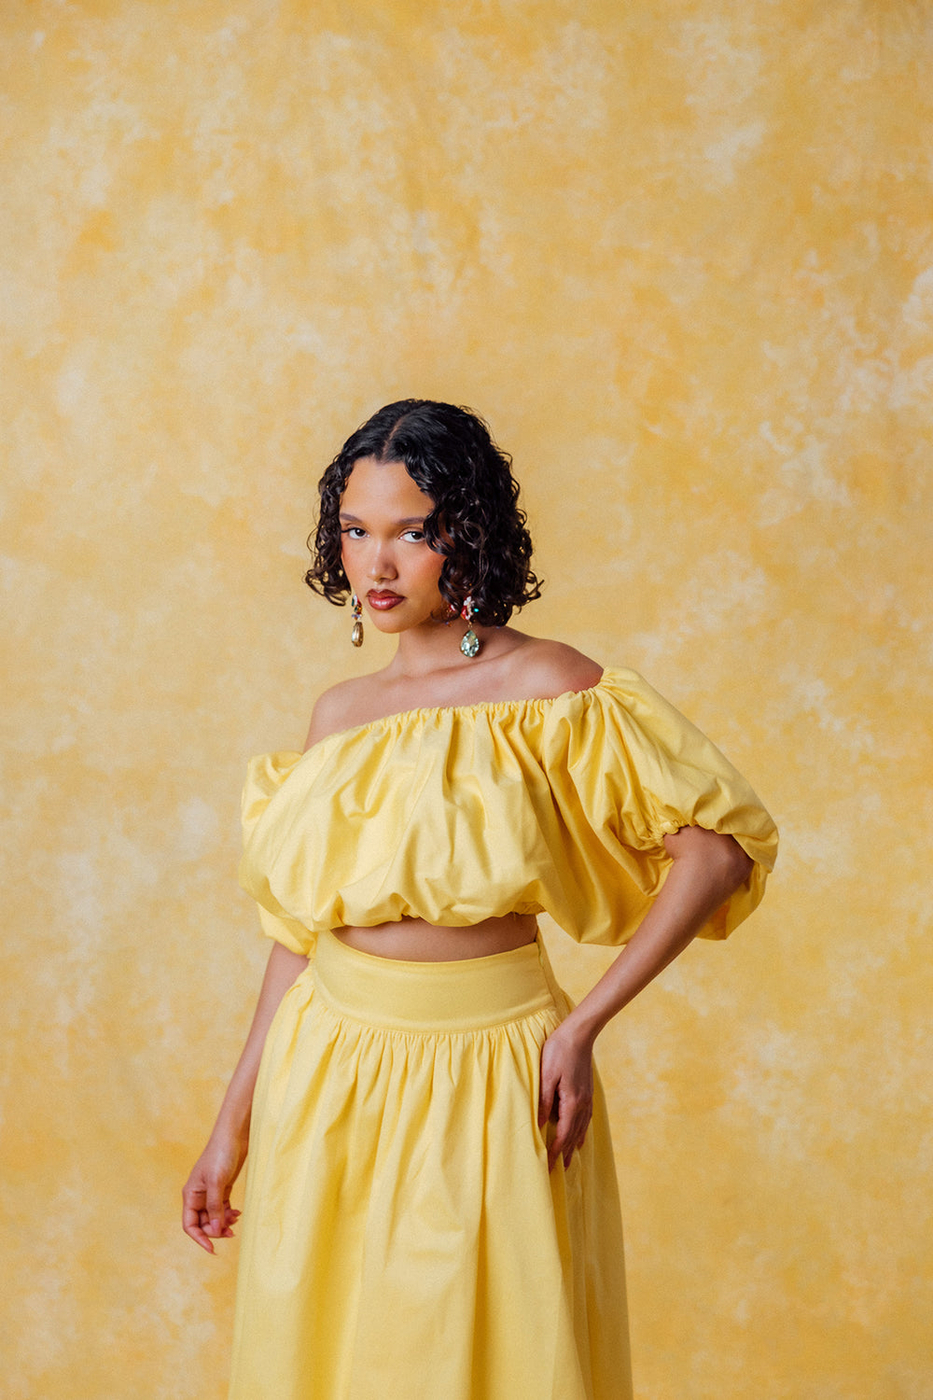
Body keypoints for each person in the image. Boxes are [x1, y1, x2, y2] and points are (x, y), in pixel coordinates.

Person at [182, 399, 778, 1400]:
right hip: (327, 1066)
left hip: (491, 1068)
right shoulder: (338, 717)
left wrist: (581, 1026)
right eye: (356, 531)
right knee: (328, 1356)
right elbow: (296, 934)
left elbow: (715, 853)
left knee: (492, 1355)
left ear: (467, 533)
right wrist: (229, 1126)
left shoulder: (547, 685)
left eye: (411, 532)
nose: (378, 565)